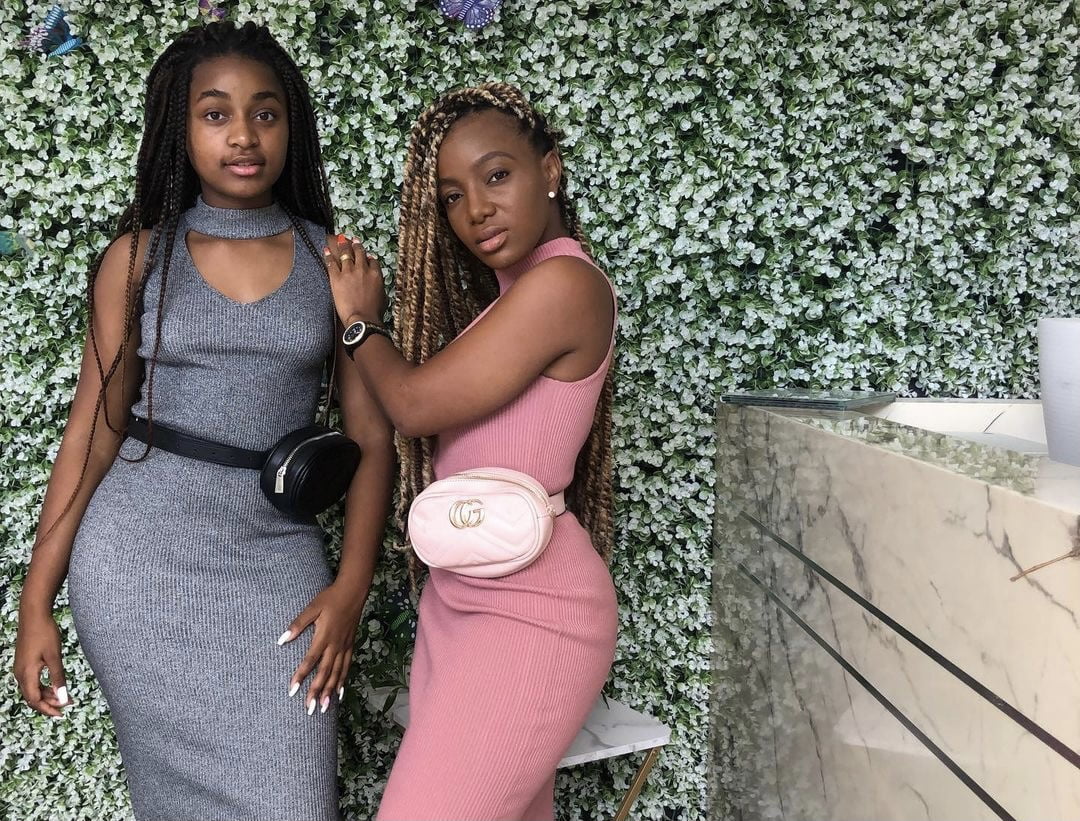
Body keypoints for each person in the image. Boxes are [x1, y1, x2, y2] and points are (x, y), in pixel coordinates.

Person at [12, 21, 393, 821]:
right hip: (138, 567)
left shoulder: (337, 264)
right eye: (215, 114)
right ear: (179, 132)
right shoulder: (137, 258)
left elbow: (371, 439)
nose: (243, 134)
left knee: (295, 803)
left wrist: (352, 587)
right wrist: (36, 599)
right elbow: (91, 434)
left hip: (275, 561)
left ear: (292, 126)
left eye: (265, 113)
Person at [323, 82, 618, 821]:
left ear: (549, 170)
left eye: (497, 175)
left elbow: (414, 405)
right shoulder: (509, 304)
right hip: (459, 600)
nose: (477, 209)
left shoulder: (565, 284)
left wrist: (360, 323)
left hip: (532, 612)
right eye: (453, 196)